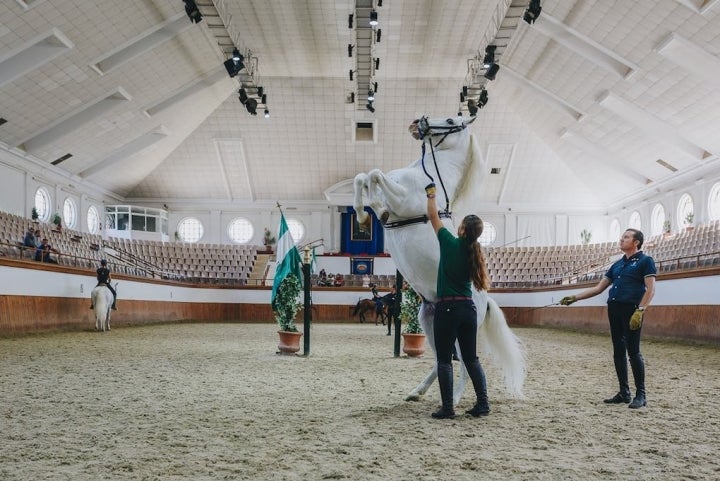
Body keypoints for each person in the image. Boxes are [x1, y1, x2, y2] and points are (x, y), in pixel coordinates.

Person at [559, 228, 656, 409]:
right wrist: (574, 298)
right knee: (618, 350)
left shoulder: (645, 261)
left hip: (632, 310)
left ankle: (641, 395)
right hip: (614, 309)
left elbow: (650, 289)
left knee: (633, 352)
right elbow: (598, 288)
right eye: (621, 237)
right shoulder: (617, 265)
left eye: (626, 237)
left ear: (636, 242)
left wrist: (641, 310)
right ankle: (624, 392)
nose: (621, 240)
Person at [425, 182, 491, 419]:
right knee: (471, 359)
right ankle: (483, 404)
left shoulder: (449, 243)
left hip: (448, 308)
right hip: (468, 309)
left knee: (444, 359)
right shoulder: (475, 253)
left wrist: (431, 195)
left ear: (461, 229)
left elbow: (433, 216)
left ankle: (448, 408)